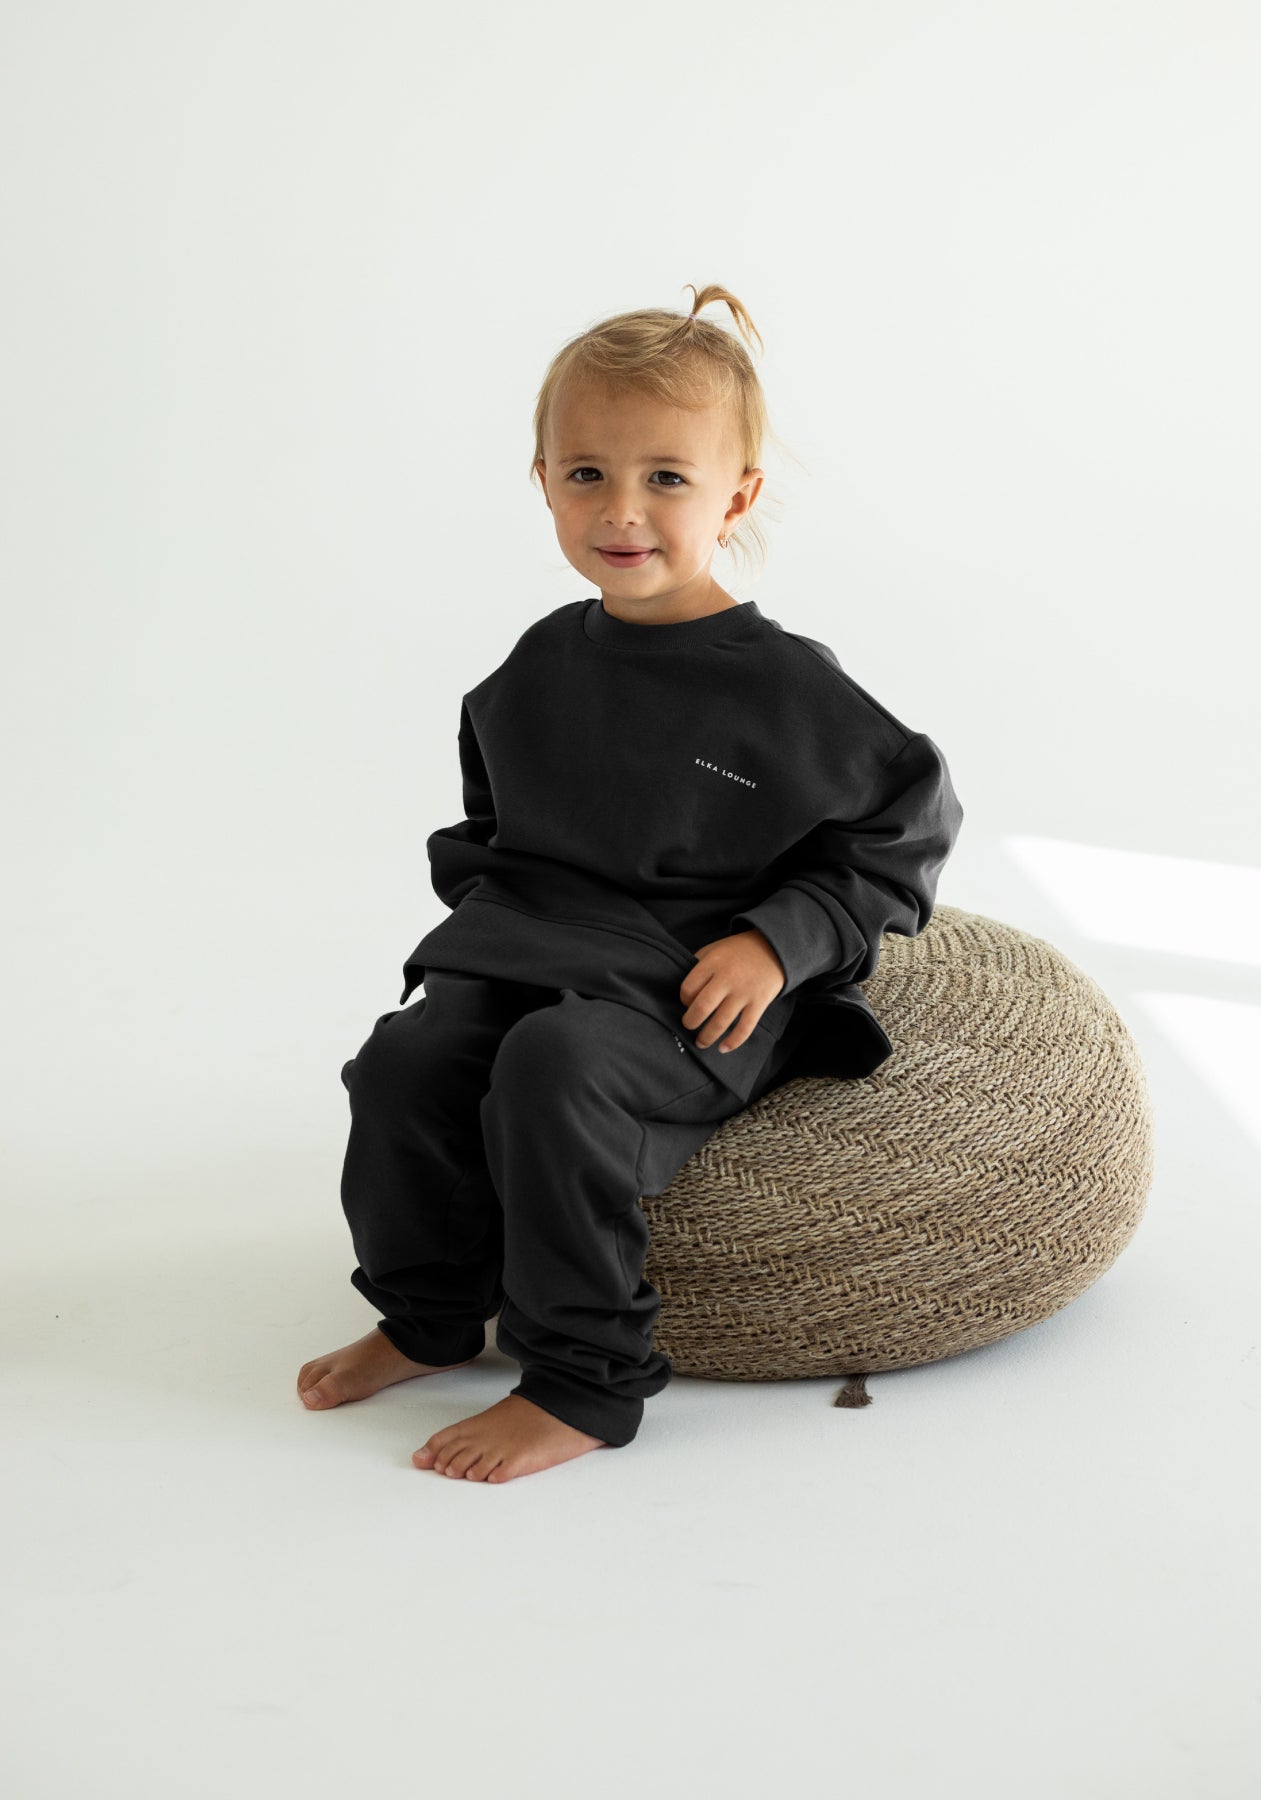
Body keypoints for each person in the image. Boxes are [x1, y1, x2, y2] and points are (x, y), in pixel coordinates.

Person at [296, 282, 964, 1483]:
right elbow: (495, 821)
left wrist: (779, 941)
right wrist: (495, 928)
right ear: (543, 481)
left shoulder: (785, 688)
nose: (622, 510)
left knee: (554, 1070)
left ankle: (583, 1382)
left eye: (665, 477)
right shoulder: (542, 661)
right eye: (587, 474)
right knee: (404, 1065)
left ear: (735, 497)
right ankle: (429, 1316)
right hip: (550, 948)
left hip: (697, 983)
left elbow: (902, 828)